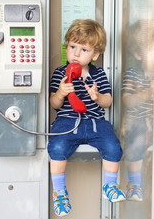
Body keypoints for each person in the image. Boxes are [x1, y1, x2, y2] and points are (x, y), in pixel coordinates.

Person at [48, 19, 126, 217]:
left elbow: (108, 101)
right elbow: (54, 104)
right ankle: (59, 192)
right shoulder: (60, 73)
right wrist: (61, 93)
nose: (75, 53)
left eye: (83, 50)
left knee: (113, 146)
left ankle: (110, 185)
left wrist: (96, 96)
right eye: (72, 47)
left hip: (94, 122)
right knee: (56, 148)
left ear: (95, 54)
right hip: (67, 121)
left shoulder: (98, 74)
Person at [122, 20, 154, 202]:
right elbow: (127, 101)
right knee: (137, 138)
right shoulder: (133, 74)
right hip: (138, 123)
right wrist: (147, 93)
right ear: (137, 54)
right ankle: (134, 184)